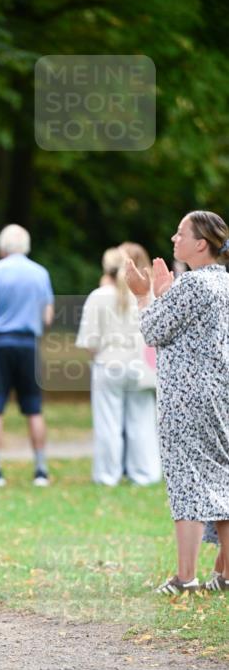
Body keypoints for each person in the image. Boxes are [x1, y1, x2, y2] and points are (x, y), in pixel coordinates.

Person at [125, 210, 229, 594]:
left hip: (186, 398)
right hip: (219, 392)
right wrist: (164, 296)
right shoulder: (223, 283)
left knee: (186, 480)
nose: (173, 238)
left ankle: (185, 577)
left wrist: (142, 296)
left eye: (180, 233)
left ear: (200, 243)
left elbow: (153, 331)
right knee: (221, 477)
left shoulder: (194, 284)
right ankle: (225, 574)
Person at [76, 244, 160, 486]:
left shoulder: (98, 297)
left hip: (108, 365)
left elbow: (90, 342)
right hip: (139, 367)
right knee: (141, 422)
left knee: (108, 424)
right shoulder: (145, 295)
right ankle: (144, 473)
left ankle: (107, 475)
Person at [0, 223, 54, 486]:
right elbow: (48, 315)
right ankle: (41, 469)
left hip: (0, 343)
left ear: (3, 246)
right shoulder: (40, 273)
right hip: (28, 344)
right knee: (33, 407)